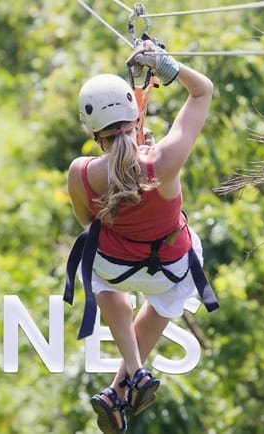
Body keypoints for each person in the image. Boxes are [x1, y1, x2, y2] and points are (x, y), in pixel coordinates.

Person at [64, 41, 217, 434]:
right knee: (167, 298)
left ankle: (128, 379)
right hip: (169, 268)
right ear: (136, 116)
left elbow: (86, 220)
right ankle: (125, 380)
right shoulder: (164, 161)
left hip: (114, 269)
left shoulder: (81, 173)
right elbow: (204, 91)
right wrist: (169, 67)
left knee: (94, 266)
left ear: (94, 133)